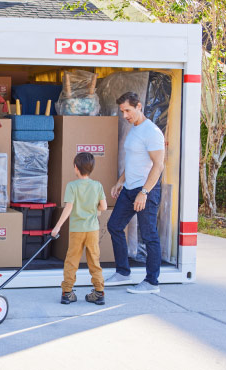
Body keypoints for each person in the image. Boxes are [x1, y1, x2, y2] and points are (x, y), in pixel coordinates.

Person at [104, 91, 165, 294]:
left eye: (127, 110)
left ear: (139, 106)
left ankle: (151, 282)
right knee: (114, 226)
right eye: (122, 111)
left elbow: (158, 166)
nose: (125, 115)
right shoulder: (134, 129)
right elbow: (132, 162)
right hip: (129, 188)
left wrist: (145, 192)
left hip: (145, 189)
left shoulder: (152, 132)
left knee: (149, 236)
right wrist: (120, 182)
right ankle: (123, 272)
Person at [51, 152, 107, 305]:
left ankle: (67, 292)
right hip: (92, 230)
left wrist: (57, 227)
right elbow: (104, 206)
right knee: (94, 260)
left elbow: (68, 208)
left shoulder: (72, 186)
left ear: (76, 167)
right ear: (92, 169)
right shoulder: (97, 186)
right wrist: (95, 211)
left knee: (71, 261)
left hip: (76, 230)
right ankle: (99, 292)